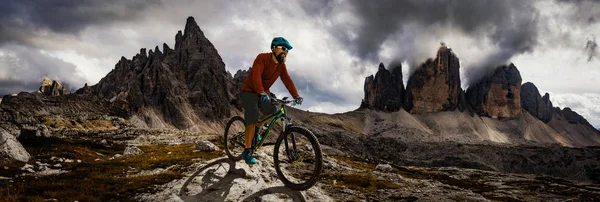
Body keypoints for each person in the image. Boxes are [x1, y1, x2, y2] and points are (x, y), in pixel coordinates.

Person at [240, 37, 303, 165]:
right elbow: (256, 76)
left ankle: (258, 128)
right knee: (252, 116)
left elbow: (287, 80)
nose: (285, 52)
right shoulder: (262, 58)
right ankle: (247, 151)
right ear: (274, 48)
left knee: (272, 110)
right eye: (283, 48)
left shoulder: (281, 66)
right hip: (250, 90)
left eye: (287, 51)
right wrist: (261, 91)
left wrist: (296, 95)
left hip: (263, 92)